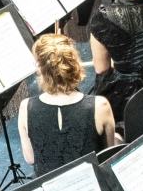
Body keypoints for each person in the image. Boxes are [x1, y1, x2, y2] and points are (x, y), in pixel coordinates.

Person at [19, 34, 116, 174]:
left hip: (51, 190)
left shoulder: (26, 107)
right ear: (74, 63)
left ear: (41, 69)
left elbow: (31, 158)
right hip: (92, 187)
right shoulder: (100, 106)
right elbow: (108, 156)